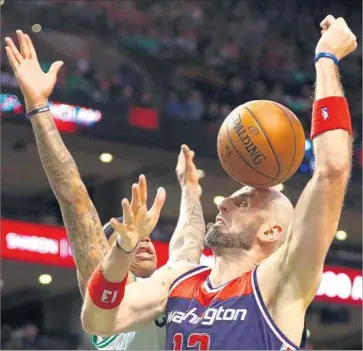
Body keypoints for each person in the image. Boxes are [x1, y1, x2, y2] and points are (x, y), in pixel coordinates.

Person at [80, 15, 357, 350]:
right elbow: (99, 320)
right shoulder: (180, 280)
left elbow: (332, 169)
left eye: (243, 202)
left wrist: (326, 59)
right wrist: (123, 251)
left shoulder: (279, 282)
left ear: (271, 232)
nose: (224, 202)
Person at [4, 31, 206, 350]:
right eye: (126, 237)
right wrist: (40, 107)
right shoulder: (110, 306)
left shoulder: (168, 284)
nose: (143, 242)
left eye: (145, 237)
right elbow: (74, 197)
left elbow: (189, 243)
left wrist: (190, 190)